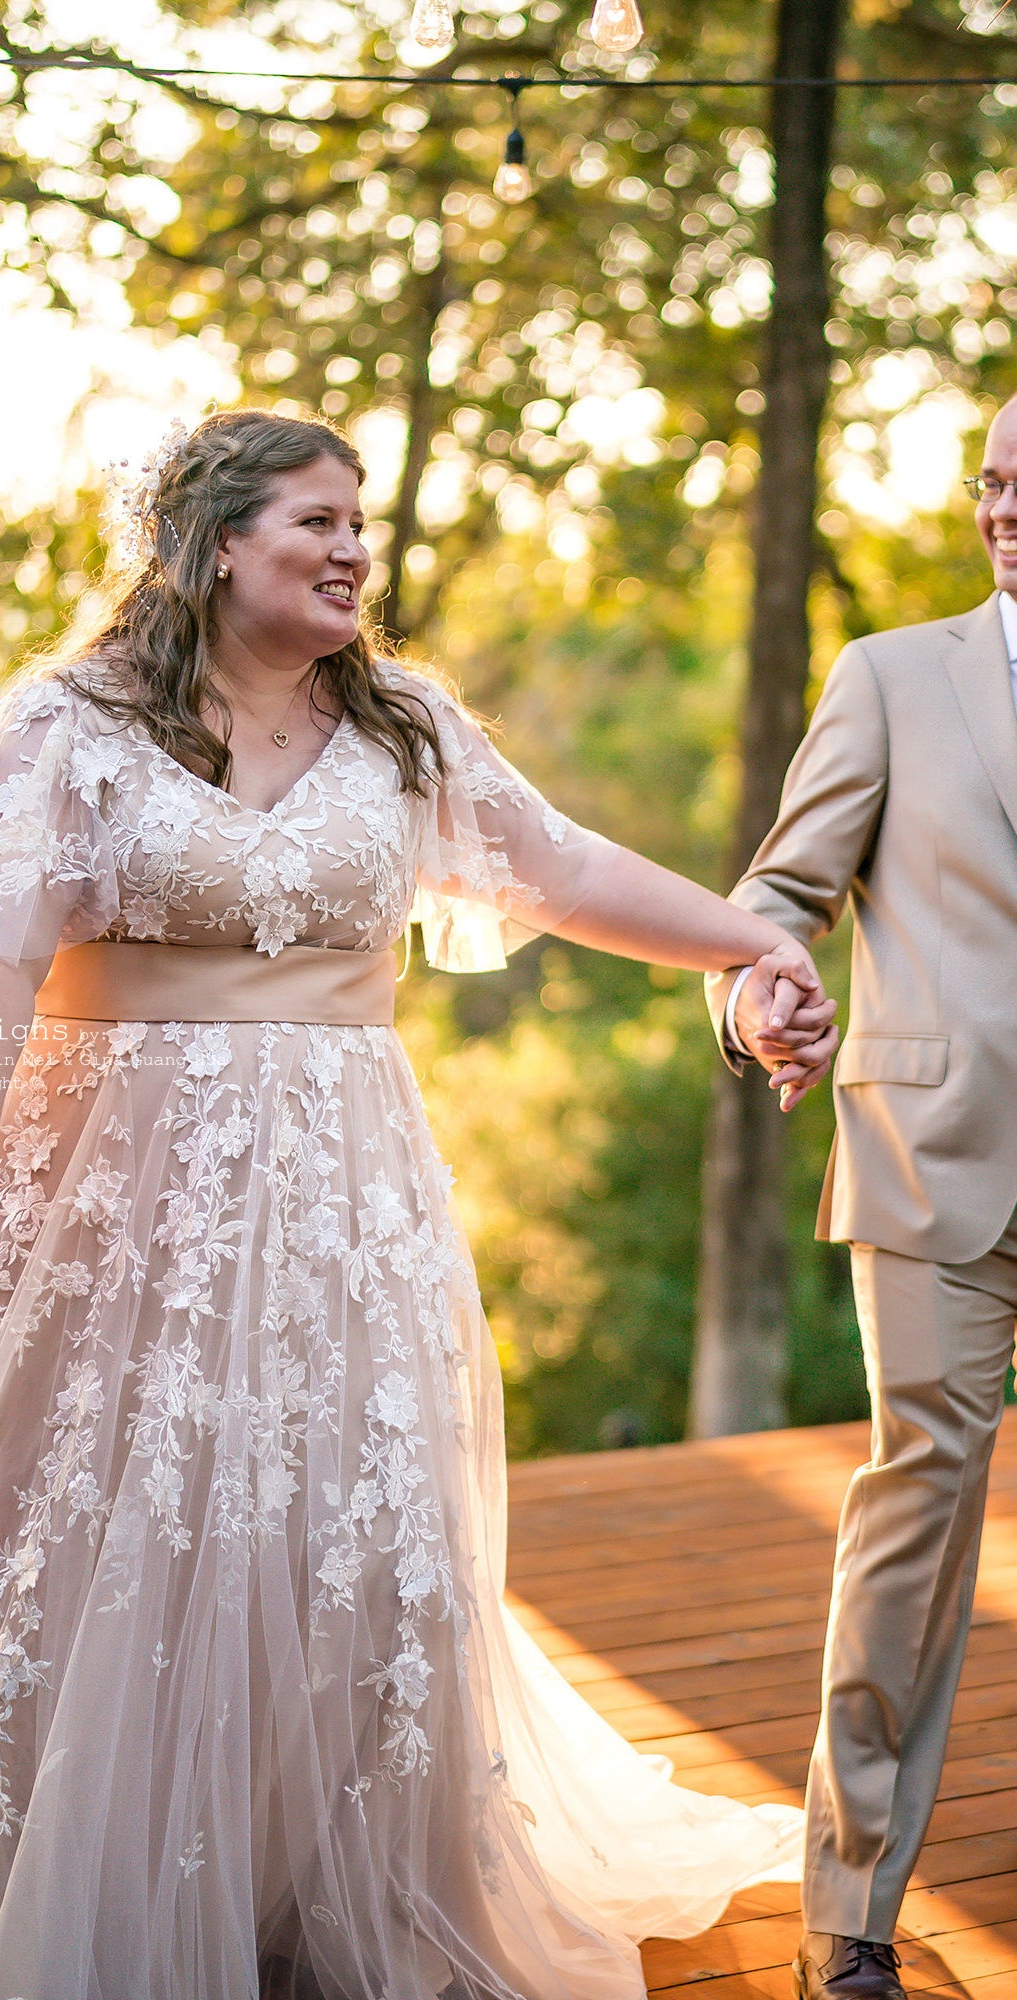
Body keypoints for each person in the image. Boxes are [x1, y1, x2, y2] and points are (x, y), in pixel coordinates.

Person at [0, 410, 823, 2000]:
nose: (352, 549)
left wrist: (750, 941)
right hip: (109, 1198)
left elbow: (568, 871)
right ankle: (52, 1906)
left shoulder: (403, 730)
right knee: (89, 1530)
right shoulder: (69, 724)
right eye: (317, 520)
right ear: (215, 540)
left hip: (341, 1199)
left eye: (358, 523)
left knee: (340, 1521)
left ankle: (321, 1894)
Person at [705, 393, 1017, 2000]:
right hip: (932, 1151)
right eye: (993, 482)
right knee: (919, 1506)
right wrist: (758, 998)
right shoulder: (893, 677)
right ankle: (852, 1915)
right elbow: (777, 895)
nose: (1006, 509)